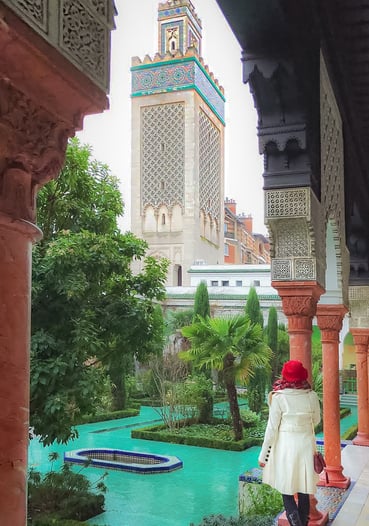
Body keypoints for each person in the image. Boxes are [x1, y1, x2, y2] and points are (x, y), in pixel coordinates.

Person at [258, 360, 321, 526]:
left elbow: (271, 429)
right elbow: (316, 420)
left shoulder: (278, 397)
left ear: (285, 375)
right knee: (304, 489)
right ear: (302, 376)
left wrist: (263, 456)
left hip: (286, 447)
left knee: (286, 489)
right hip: (306, 445)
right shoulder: (312, 396)